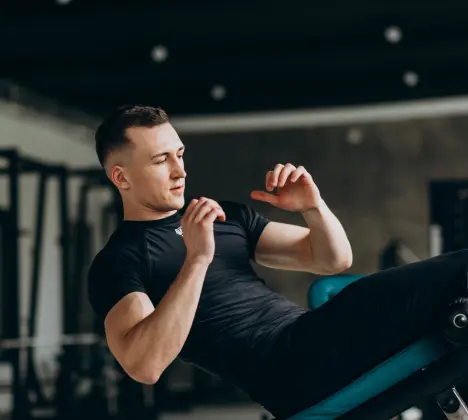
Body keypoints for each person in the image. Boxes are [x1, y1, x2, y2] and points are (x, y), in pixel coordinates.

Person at [87, 105, 468, 419]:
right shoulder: (119, 262)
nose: (180, 170)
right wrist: (198, 260)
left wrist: (313, 208)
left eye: (180, 154)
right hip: (289, 369)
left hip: (314, 336)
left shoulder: (227, 218)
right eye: (160, 161)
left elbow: (333, 259)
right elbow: (146, 365)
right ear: (121, 177)